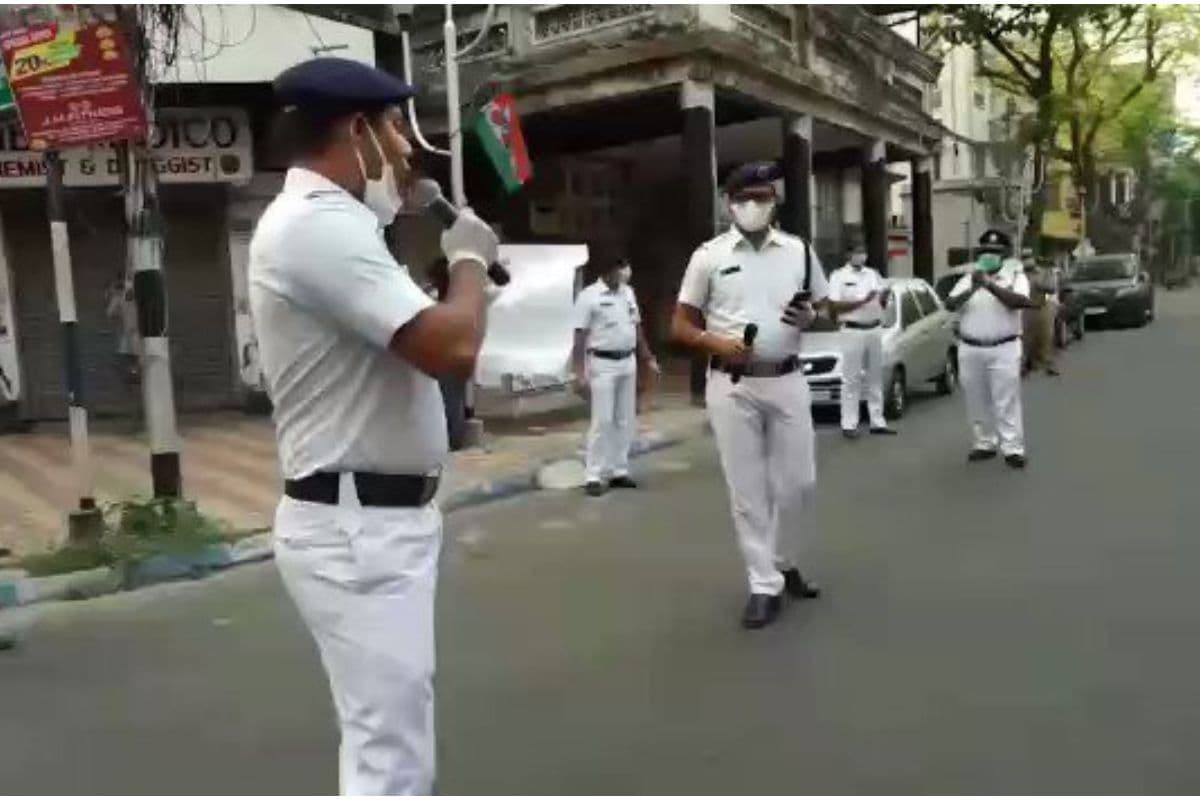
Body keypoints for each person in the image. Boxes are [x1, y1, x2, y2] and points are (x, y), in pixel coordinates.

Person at [249, 57, 500, 795]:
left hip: (376, 524)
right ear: (356, 130)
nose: (402, 150)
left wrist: (463, 284)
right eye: (393, 127)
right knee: (389, 757)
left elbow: (430, 341)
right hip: (356, 530)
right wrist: (468, 261)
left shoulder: (340, 227)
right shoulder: (317, 228)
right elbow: (450, 345)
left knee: (394, 737)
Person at [671, 161, 827, 630]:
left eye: (762, 197)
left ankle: (782, 561)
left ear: (775, 200)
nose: (753, 206)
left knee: (799, 482)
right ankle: (763, 583)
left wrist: (810, 318)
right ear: (729, 204)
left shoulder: (799, 251)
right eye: (744, 198)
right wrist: (714, 342)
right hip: (732, 383)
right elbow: (679, 324)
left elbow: (822, 307)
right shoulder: (709, 256)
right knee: (747, 490)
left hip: (787, 378)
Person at [944, 229, 1035, 469]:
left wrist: (990, 285)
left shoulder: (1015, 276)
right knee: (976, 399)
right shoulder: (969, 278)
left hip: (1003, 347)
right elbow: (950, 304)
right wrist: (974, 286)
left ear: (1005, 254)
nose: (989, 255)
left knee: (1005, 400)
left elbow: (1019, 302)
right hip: (970, 347)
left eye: (995, 252)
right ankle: (984, 443)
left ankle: (1013, 448)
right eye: (985, 251)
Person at [572, 256, 658, 496]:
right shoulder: (589, 296)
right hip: (602, 364)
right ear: (606, 270)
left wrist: (648, 357)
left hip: (627, 361)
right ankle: (594, 474)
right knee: (602, 420)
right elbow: (579, 336)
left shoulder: (628, 293)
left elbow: (636, 327)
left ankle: (619, 469)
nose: (623, 274)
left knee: (624, 419)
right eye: (618, 269)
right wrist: (580, 371)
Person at [826, 240, 895, 438]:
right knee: (851, 379)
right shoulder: (839, 276)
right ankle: (849, 423)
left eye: (863, 252)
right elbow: (835, 306)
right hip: (852, 330)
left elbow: (882, 303)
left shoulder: (873, 274)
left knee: (875, 377)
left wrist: (883, 296)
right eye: (857, 252)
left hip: (874, 328)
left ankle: (877, 421)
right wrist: (862, 301)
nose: (861, 255)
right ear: (848, 255)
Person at [1026, 259, 1061, 376]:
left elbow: (1050, 288)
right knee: (1026, 338)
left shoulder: (1040, 275)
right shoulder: (1015, 275)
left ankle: (1047, 363)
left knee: (1046, 335)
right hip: (1022, 308)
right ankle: (1027, 363)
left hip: (1038, 306)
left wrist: (1048, 274)